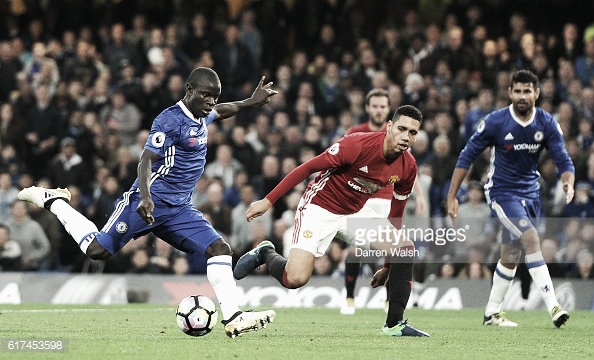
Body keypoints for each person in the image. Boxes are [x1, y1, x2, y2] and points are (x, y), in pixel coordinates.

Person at [18, 67, 277, 338]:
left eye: (214, 96)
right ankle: (56, 201)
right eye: (206, 95)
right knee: (96, 251)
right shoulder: (170, 120)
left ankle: (234, 318)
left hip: (179, 210)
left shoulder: (202, 114)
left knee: (219, 248)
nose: (211, 102)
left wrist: (250, 102)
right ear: (189, 91)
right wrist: (144, 197)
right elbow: (145, 160)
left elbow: (223, 110)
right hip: (148, 203)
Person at [234, 105, 430, 337]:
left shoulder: (408, 166)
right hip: (320, 208)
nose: (406, 136)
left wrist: (388, 265)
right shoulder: (357, 145)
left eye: (413, 132)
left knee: (404, 248)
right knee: (294, 279)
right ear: (389, 127)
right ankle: (266, 253)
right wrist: (268, 201)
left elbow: (396, 212)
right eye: (402, 129)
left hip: (355, 214)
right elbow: (308, 167)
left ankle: (394, 325)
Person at [447, 69, 574, 328]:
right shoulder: (495, 122)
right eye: (517, 91)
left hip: (531, 193)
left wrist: (568, 181)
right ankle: (554, 307)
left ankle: (491, 312)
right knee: (531, 238)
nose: (522, 96)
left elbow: (562, 158)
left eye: (527, 91)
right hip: (501, 192)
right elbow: (467, 155)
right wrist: (452, 195)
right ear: (509, 93)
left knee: (511, 254)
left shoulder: (547, 122)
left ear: (536, 93)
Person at [338, 89, 426, 316]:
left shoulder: (402, 135)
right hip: (361, 198)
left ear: (388, 110)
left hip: (387, 199)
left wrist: (421, 196)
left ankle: (389, 301)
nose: (378, 110)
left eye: (382, 106)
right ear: (368, 109)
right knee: (356, 247)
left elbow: (407, 169)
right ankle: (349, 298)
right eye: (374, 106)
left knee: (395, 245)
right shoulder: (356, 133)